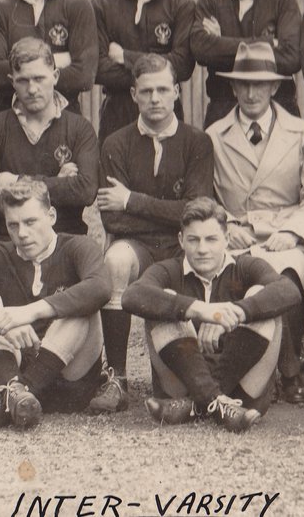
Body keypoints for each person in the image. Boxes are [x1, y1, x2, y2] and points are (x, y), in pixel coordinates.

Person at [90, 53, 215, 413]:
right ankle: (117, 377)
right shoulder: (115, 143)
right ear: (133, 94)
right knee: (115, 258)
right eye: (147, 91)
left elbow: (196, 214)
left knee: (204, 253)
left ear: (177, 91)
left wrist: (133, 200)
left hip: (182, 249)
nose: (155, 99)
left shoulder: (197, 142)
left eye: (163, 89)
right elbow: (114, 222)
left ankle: (200, 371)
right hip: (139, 246)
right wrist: (167, 213)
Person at [206, 42, 304, 403]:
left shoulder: (303, 132)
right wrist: (227, 225)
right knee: (234, 278)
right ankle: (248, 367)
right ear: (232, 88)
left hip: (286, 232)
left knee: (286, 277)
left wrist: (293, 232)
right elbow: (209, 198)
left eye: (259, 84)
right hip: (235, 234)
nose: (250, 92)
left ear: (275, 87)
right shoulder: (215, 135)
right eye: (242, 84)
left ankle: (289, 372)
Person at [121, 197, 300, 432]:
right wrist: (200, 309)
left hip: (244, 393)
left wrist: (237, 312)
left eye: (211, 239)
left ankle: (199, 404)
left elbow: (289, 291)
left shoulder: (245, 266)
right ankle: (216, 403)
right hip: (181, 387)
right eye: (193, 240)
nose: (202, 249)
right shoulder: (169, 269)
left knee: (261, 296)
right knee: (161, 299)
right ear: (181, 240)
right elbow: (132, 296)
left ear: (226, 239)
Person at [0, 178, 110, 429]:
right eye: (13, 225)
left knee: (80, 305)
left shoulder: (78, 246)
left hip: (70, 384)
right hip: (11, 368)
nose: (22, 233)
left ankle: (10, 398)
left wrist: (26, 313)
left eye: (30, 222)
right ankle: (16, 393)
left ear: (51, 215)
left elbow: (101, 287)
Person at [0, 37, 98, 241]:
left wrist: (16, 181)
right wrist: (57, 183)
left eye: (39, 79)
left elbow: (86, 190)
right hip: (7, 240)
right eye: (23, 80)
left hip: (65, 238)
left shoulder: (80, 128)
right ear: (12, 81)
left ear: (55, 76)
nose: (32, 89)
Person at [190, 0, 302, 128]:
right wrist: (268, 42)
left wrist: (221, 41)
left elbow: (291, 58)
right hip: (223, 111)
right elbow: (201, 49)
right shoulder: (210, 1)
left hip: (278, 112)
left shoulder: (283, 0)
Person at [93, 0, 196, 145]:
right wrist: (161, 69)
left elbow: (184, 65)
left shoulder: (180, 5)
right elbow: (99, 69)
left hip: (166, 112)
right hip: (117, 112)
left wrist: (124, 57)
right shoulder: (101, 6)